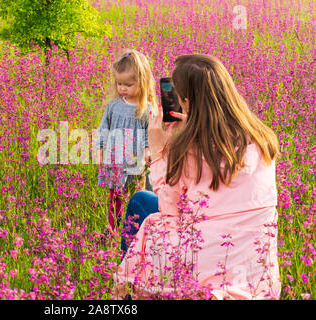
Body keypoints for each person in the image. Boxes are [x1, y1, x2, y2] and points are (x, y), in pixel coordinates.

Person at [114, 54, 281, 300]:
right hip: (257, 276)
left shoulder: (190, 150)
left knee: (141, 201)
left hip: (203, 261)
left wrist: (161, 152)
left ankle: (130, 295)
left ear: (186, 102)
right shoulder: (262, 138)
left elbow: (169, 209)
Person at [97, 49, 157, 231]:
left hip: (136, 163)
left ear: (143, 82)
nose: (122, 88)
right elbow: (103, 130)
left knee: (138, 196)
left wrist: (148, 150)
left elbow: (150, 134)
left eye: (128, 84)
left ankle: (137, 230)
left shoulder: (146, 109)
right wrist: (100, 151)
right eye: (119, 84)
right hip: (114, 161)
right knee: (114, 197)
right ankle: (113, 229)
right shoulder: (113, 107)